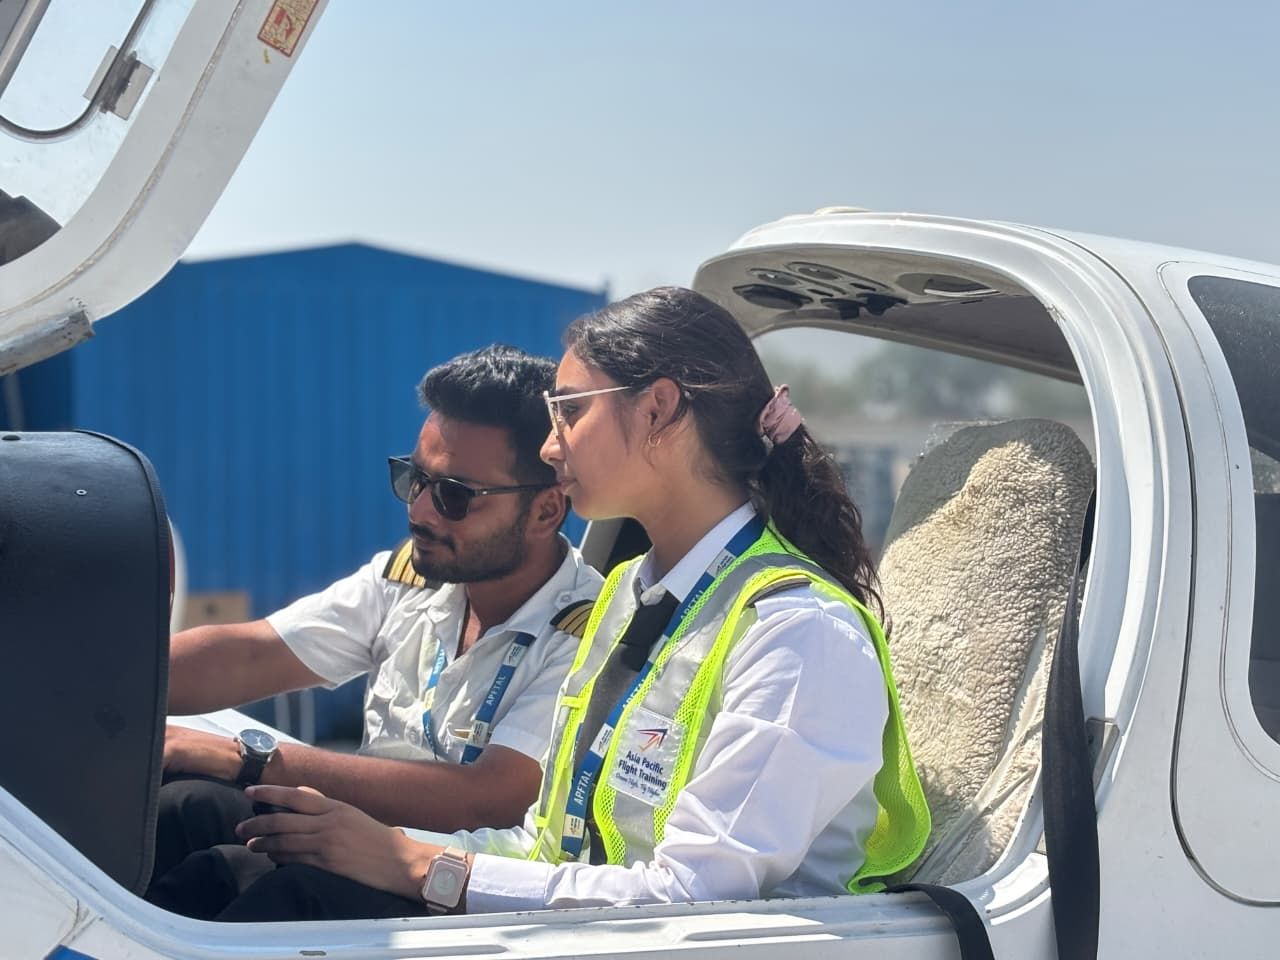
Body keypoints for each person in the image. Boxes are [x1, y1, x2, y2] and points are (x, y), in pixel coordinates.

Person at [216, 287, 930, 921]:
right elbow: (553, 843)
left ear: (657, 409)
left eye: (570, 414)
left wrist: (419, 867)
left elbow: (693, 898)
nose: (551, 448)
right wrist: (374, 841)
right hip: (584, 935)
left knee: (286, 904)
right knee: (249, 862)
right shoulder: (629, 594)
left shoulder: (798, 634)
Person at [147, 344, 603, 918]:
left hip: (455, 889)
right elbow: (253, 654)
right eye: (416, 478)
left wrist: (252, 758)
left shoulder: (587, 631)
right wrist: (100, 684)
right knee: (179, 806)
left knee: (280, 900)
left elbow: (490, 795)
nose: (421, 512)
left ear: (544, 512)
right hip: (351, 843)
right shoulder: (413, 576)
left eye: (455, 495)